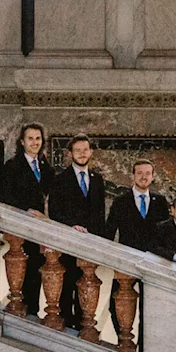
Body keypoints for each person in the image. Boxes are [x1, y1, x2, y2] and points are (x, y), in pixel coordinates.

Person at [107, 159, 171, 347]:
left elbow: (166, 233)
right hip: (126, 260)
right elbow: (109, 229)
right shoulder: (120, 201)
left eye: (147, 173)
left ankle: (144, 349)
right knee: (115, 304)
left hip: (152, 261)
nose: (144, 177)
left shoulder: (159, 202)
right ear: (133, 176)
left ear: (152, 177)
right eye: (140, 173)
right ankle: (124, 341)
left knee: (148, 307)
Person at [47, 135, 108, 330]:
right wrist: (72, 226)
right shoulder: (60, 179)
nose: (82, 154)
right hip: (68, 241)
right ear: (70, 154)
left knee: (87, 283)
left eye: (85, 150)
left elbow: (100, 212)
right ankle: (66, 320)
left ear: (90, 152)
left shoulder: (97, 179)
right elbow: (55, 211)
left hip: (90, 242)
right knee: (68, 282)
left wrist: (97, 238)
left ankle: (85, 321)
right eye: (78, 150)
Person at [0, 123, 54, 316]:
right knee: (24, 269)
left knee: (39, 268)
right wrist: (26, 210)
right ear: (22, 142)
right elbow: (5, 196)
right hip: (21, 227)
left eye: (38, 138)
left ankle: (33, 311)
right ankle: (23, 309)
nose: (34, 142)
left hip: (41, 229)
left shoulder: (47, 167)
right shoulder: (12, 166)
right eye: (30, 138)